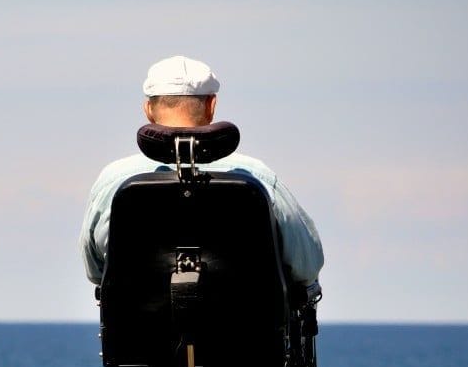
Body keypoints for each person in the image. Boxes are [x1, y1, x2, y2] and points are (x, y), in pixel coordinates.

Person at [80, 55, 324, 286]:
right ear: (212, 105)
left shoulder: (113, 180)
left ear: (148, 109)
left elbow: (96, 270)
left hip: (139, 328)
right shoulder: (256, 176)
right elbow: (307, 266)